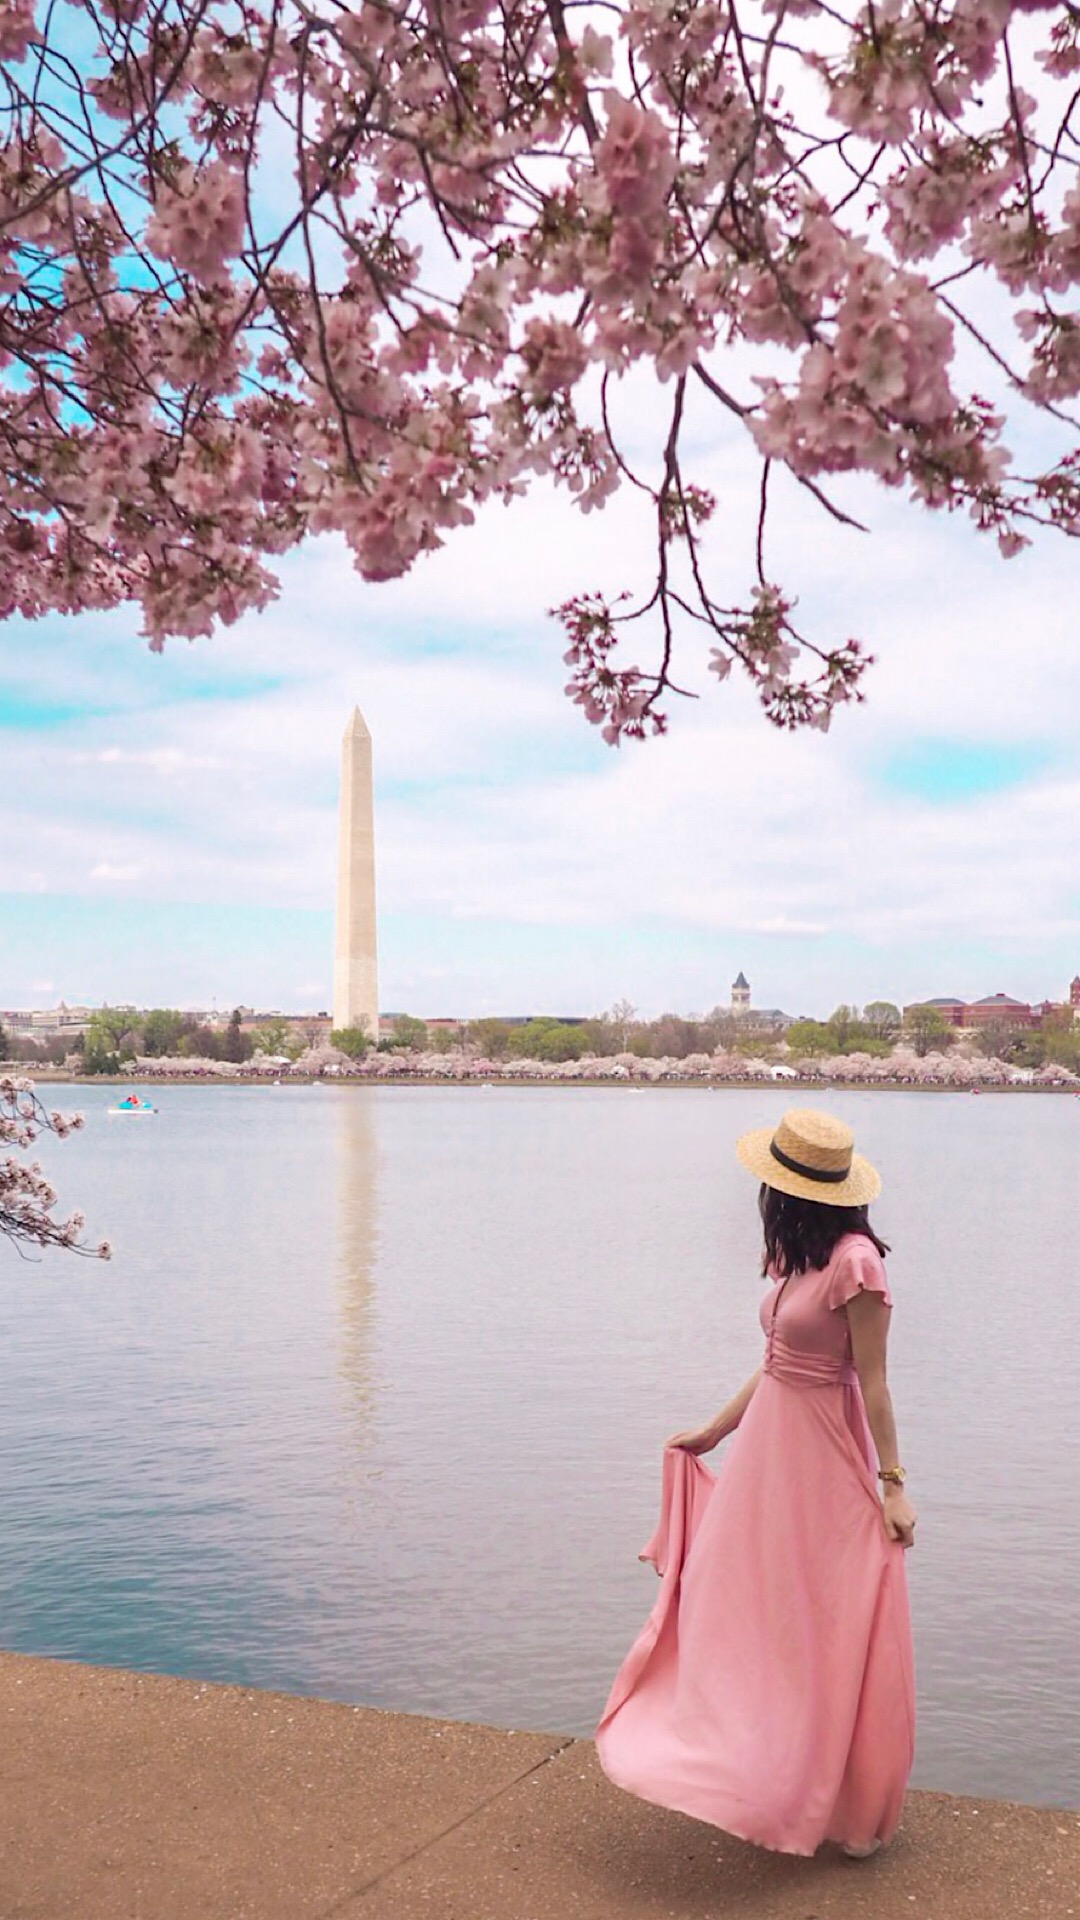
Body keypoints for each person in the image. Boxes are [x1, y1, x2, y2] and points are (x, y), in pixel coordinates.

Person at [595, 1108, 917, 1861]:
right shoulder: (796, 1257)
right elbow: (776, 1364)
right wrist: (715, 1430)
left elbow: (872, 1385)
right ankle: (738, 1762)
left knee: (820, 1620)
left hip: (824, 1456)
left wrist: (893, 1485)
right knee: (729, 1599)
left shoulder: (856, 1264)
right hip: (768, 1453)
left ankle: (833, 1796)